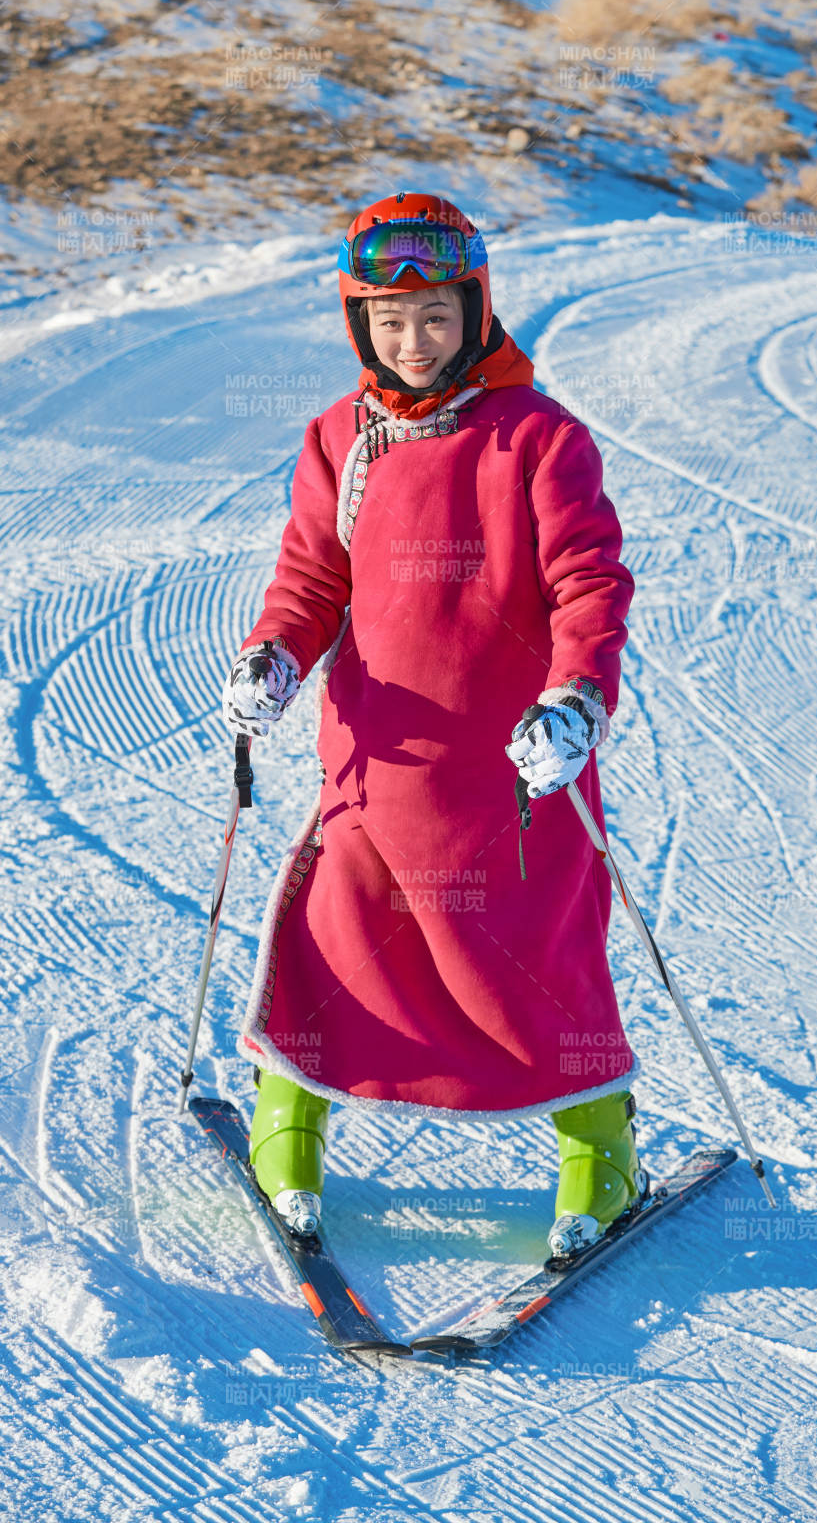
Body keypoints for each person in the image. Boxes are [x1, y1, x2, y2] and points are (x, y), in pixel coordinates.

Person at [222, 191, 644, 1256]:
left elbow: (588, 583)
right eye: (391, 322)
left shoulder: (540, 439)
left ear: (475, 307)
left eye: (438, 318)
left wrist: (575, 697)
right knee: (331, 939)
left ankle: (600, 1156)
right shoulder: (341, 438)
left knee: (533, 956)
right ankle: (287, 1126)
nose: (416, 342)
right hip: (377, 761)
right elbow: (313, 576)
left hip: (510, 771)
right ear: (361, 323)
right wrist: (275, 654)